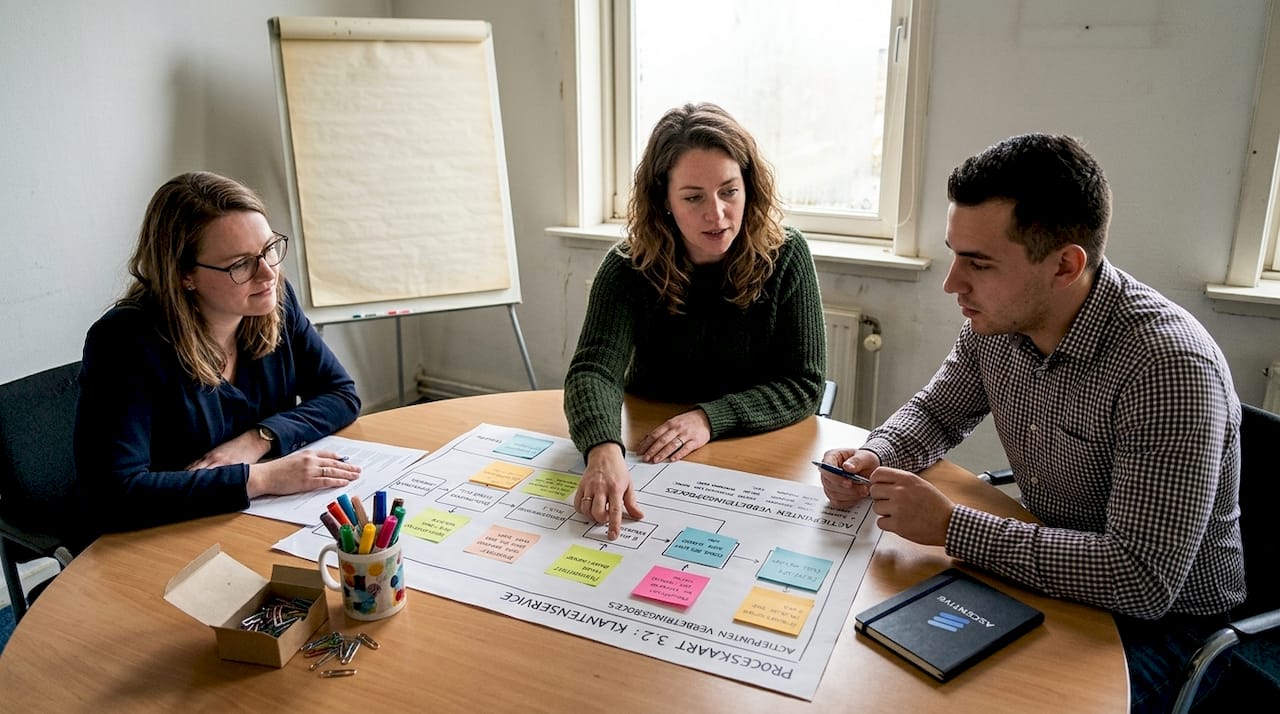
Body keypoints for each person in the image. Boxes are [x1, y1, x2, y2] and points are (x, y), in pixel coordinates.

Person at [819, 133, 1243, 712]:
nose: (952, 283)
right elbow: (936, 411)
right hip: (1049, 577)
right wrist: (877, 453)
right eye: (953, 253)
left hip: (1164, 633)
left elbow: (1140, 578)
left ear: (1065, 265)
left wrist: (951, 526)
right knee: (867, 666)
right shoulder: (998, 320)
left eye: (979, 262)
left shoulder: (1167, 368)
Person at [565, 102, 827, 540]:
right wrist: (603, 447)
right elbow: (594, 370)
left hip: (753, 450)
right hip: (653, 451)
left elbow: (804, 383)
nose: (717, 214)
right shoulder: (628, 266)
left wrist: (708, 419)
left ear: (750, 187)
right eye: (693, 197)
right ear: (663, 201)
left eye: (729, 191)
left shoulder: (787, 255)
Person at [75, 171, 363, 533]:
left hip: (252, 522)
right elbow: (112, 494)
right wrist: (258, 479)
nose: (268, 274)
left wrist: (258, 440)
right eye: (240, 264)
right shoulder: (123, 340)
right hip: (165, 534)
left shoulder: (274, 301)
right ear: (184, 275)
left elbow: (340, 393)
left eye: (268, 250)